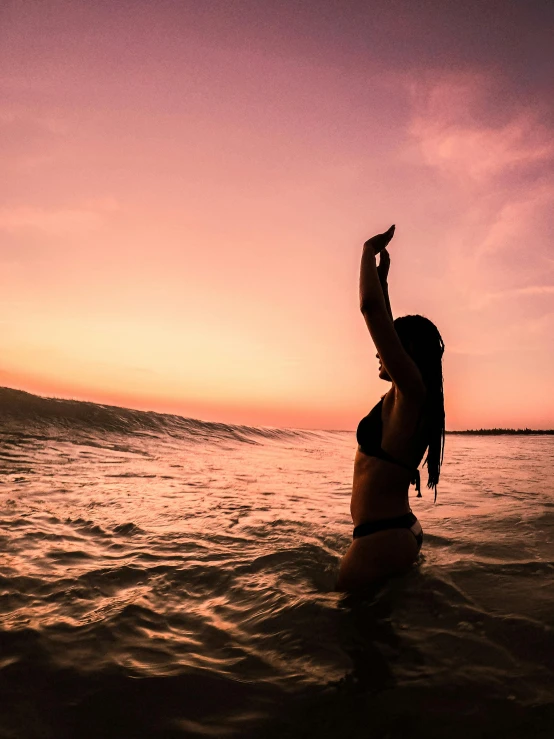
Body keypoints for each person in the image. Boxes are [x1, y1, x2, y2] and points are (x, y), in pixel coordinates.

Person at [336, 225, 445, 591]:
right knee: (379, 641)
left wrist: (366, 250)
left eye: (395, 348)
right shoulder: (410, 396)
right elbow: (383, 317)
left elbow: (371, 312)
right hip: (394, 531)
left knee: (345, 640)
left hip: (381, 538)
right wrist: (382, 282)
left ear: (408, 355)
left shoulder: (412, 392)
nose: (381, 352)